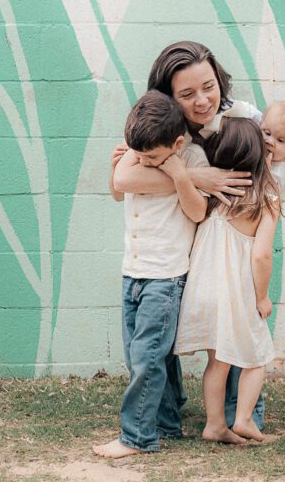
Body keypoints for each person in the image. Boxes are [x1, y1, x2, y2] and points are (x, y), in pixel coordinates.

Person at [110, 40, 267, 430]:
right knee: (156, 342)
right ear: (167, 97)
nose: (202, 101)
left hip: (228, 244)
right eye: (187, 94)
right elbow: (124, 177)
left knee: (235, 322)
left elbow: (261, 179)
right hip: (175, 252)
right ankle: (167, 413)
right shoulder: (157, 126)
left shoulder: (240, 121)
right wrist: (195, 176)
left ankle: (241, 413)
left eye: (209, 86)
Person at [93, 90, 207, 459]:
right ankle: (167, 422)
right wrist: (117, 169)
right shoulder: (137, 152)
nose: (144, 161)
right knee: (144, 355)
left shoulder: (190, 157)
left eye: (152, 157)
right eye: (138, 154)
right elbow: (117, 194)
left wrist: (178, 174)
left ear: (174, 144)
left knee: (147, 356)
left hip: (165, 276)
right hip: (133, 271)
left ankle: (137, 436)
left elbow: (197, 213)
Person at [174, 117, 279, 444]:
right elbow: (261, 256)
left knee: (217, 362)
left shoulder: (212, 195)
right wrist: (262, 297)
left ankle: (215, 424)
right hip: (237, 293)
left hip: (202, 290)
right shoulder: (265, 199)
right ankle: (244, 418)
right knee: (257, 356)